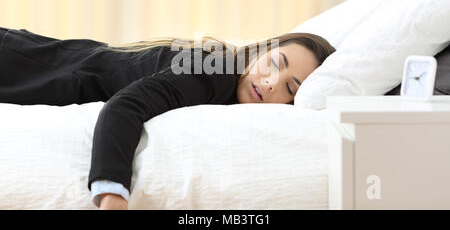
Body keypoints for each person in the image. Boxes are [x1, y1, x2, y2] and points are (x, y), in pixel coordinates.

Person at [0, 26, 336, 209]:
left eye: (290, 88)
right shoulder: (214, 74)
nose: (271, 83)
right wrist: (112, 193)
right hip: (15, 65)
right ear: (259, 51)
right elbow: (125, 106)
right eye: (274, 64)